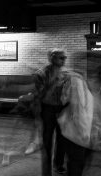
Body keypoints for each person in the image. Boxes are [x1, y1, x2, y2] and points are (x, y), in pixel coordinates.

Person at [33, 48, 68, 176]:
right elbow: (40, 95)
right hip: (47, 109)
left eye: (65, 58)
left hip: (62, 109)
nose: (64, 60)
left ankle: (58, 164)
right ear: (52, 58)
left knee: (63, 138)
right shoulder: (41, 73)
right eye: (61, 57)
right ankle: (46, 170)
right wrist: (54, 82)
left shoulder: (65, 73)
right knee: (47, 140)